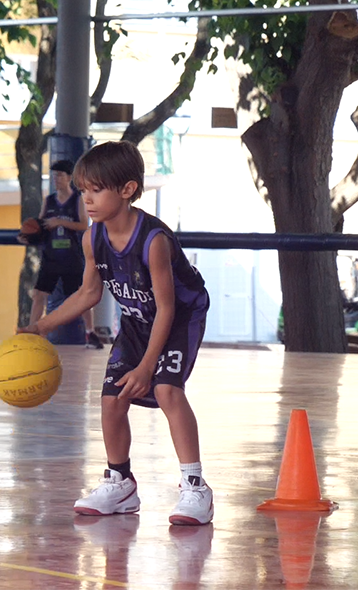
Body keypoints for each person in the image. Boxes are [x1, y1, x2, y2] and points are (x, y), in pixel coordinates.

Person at [20, 141, 213, 525]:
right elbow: (89, 293)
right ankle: (120, 482)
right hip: (138, 320)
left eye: (96, 190)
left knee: (166, 390)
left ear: (126, 190)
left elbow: (169, 308)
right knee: (110, 401)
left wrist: (145, 368)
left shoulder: (153, 240)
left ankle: (195, 487)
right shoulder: (94, 237)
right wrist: (40, 326)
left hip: (178, 319)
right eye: (83, 191)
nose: (87, 200)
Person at [21, 159, 101, 349]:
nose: (56, 179)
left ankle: (90, 333)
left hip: (71, 256)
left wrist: (60, 222)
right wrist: (28, 236)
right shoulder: (48, 201)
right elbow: (39, 226)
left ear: (68, 178)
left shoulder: (77, 200)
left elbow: (83, 225)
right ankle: (33, 332)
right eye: (54, 175)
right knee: (39, 294)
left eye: (60, 175)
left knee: (82, 295)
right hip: (51, 257)